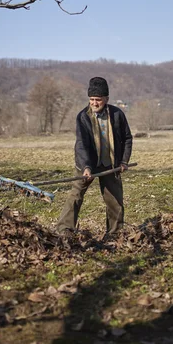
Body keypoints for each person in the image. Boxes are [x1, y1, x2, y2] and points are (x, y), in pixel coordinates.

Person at [56, 77, 132, 236]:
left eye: (98, 99)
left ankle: (114, 234)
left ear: (107, 99)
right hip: (87, 164)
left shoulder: (117, 115)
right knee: (76, 196)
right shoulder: (83, 116)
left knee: (115, 202)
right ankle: (64, 231)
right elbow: (81, 144)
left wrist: (124, 161)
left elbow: (127, 139)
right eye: (91, 99)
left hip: (110, 164)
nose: (95, 103)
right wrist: (86, 167)